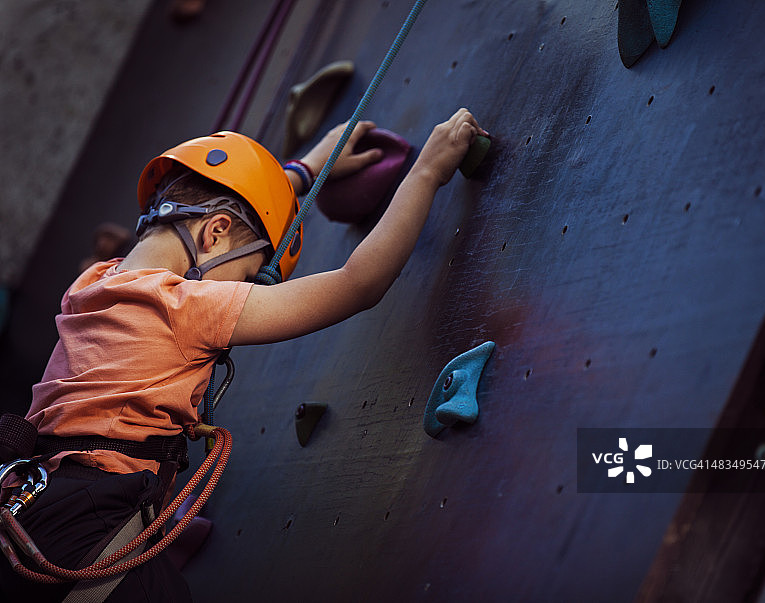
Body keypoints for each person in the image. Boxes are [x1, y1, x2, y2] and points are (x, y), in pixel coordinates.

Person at [0, 108, 485, 601]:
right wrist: (429, 171)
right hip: (89, 527)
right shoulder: (182, 304)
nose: (248, 289)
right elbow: (358, 284)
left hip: (34, 508)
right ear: (213, 233)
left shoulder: (94, 284)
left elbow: (218, 212)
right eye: (251, 276)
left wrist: (302, 173)